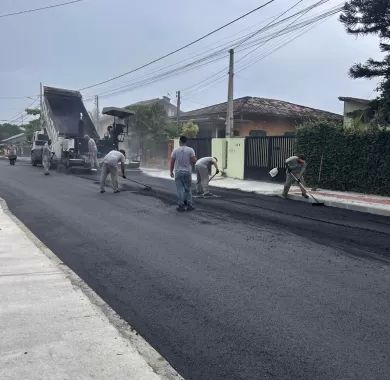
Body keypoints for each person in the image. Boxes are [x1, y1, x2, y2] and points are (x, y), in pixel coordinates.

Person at [170, 136, 197, 212]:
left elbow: (172, 162)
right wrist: (194, 159)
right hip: (187, 172)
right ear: (186, 141)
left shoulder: (175, 150)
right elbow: (194, 161)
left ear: (180, 142)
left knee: (180, 189)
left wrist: (171, 171)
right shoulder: (190, 150)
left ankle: (181, 206)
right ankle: (189, 205)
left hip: (178, 172)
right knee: (187, 189)